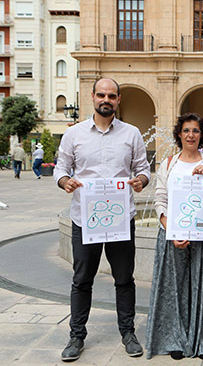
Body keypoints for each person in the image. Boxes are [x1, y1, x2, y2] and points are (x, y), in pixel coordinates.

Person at [54, 77, 151, 362]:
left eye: (111, 96)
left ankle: (128, 333)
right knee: (82, 279)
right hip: (85, 219)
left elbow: (143, 169)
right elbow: (62, 166)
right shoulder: (75, 134)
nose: (106, 100)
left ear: (119, 100)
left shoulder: (132, 133)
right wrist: (64, 181)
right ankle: (76, 336)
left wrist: (140, 181)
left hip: (121, 220)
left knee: (124, 279)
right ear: (92, 97)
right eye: (101, 95)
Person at [146, 112, 203, 360]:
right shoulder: (169, 163)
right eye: (186, 130)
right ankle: (175, 338)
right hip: (174, 236)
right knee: (175, 288)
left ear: (201, 135)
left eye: (195, 130)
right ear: (179, 134)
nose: (190, 135)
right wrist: (170, 229)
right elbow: (160, 200)